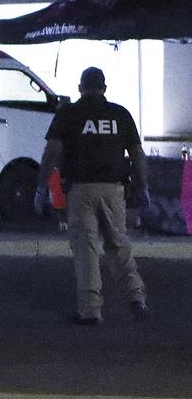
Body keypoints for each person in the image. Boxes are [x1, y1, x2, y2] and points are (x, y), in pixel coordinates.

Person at [35, 67, 152, 326]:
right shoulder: (120, 114)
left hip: (81, 189)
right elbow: (137, 154)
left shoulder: (68, 114)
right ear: (104, 89)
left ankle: (90, 310)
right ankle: (136, 298)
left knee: (85, 248)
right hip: (114, 189)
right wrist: (142, 186)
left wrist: (42, 187)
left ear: (80, 88)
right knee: (118, 243)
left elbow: (52, 152)